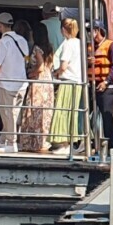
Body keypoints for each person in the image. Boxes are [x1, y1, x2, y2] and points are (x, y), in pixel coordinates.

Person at [0, 12, 29, 153]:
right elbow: (26, 59)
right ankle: (4, 140)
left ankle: (11, 143)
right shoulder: (22, 40)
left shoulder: (3, 42)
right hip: (21, 82)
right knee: (14, 113)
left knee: (7, 113)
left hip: (7, 82)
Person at [20, 23, 55, 153]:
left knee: (32, 112)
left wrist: (31, 73)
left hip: (38, 83)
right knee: (44, 114)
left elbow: (40, 66)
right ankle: (42, 141)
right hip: (48, 83)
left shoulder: (37, 48)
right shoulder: (50, 48)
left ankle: (31, 142)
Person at [50, 18, 84, 154]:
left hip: (68, 82)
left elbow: (63, 66)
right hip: (78, 82)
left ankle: (64, 144)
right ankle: (76, 141)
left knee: (62, 113)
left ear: (64, 30)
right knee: (74, 113)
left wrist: (56, 72)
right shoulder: (80, 43)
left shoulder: (68, 44)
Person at [87, 24, 113, 150]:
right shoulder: (89, 46)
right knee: (85, 113)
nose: (90, 34)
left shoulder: (111, 45)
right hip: (91, 85)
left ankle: (111, 145)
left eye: (92, 31)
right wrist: (88, 61)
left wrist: (106, 82)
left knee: (107, 115)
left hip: (106, 86)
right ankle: (89, 140)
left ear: (98, 31)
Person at [40, 2, 65, 70]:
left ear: (44, 14)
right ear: (56, 13)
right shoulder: (63, 25)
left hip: (48, 63)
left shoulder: (42, 25)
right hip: (63, 63)